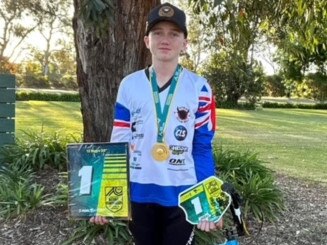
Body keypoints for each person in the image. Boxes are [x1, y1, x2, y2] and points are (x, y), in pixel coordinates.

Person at [90, 2, 222, 244]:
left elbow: (203, 147)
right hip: (139, 193)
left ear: (185, 44)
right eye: (157, 33)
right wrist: (106, 199)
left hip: (184, 193)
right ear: (146, 41)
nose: (165, 39)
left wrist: (208, 202)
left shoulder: (200, 87)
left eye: (174, 34)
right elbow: (118, 144)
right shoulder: (129, 85)